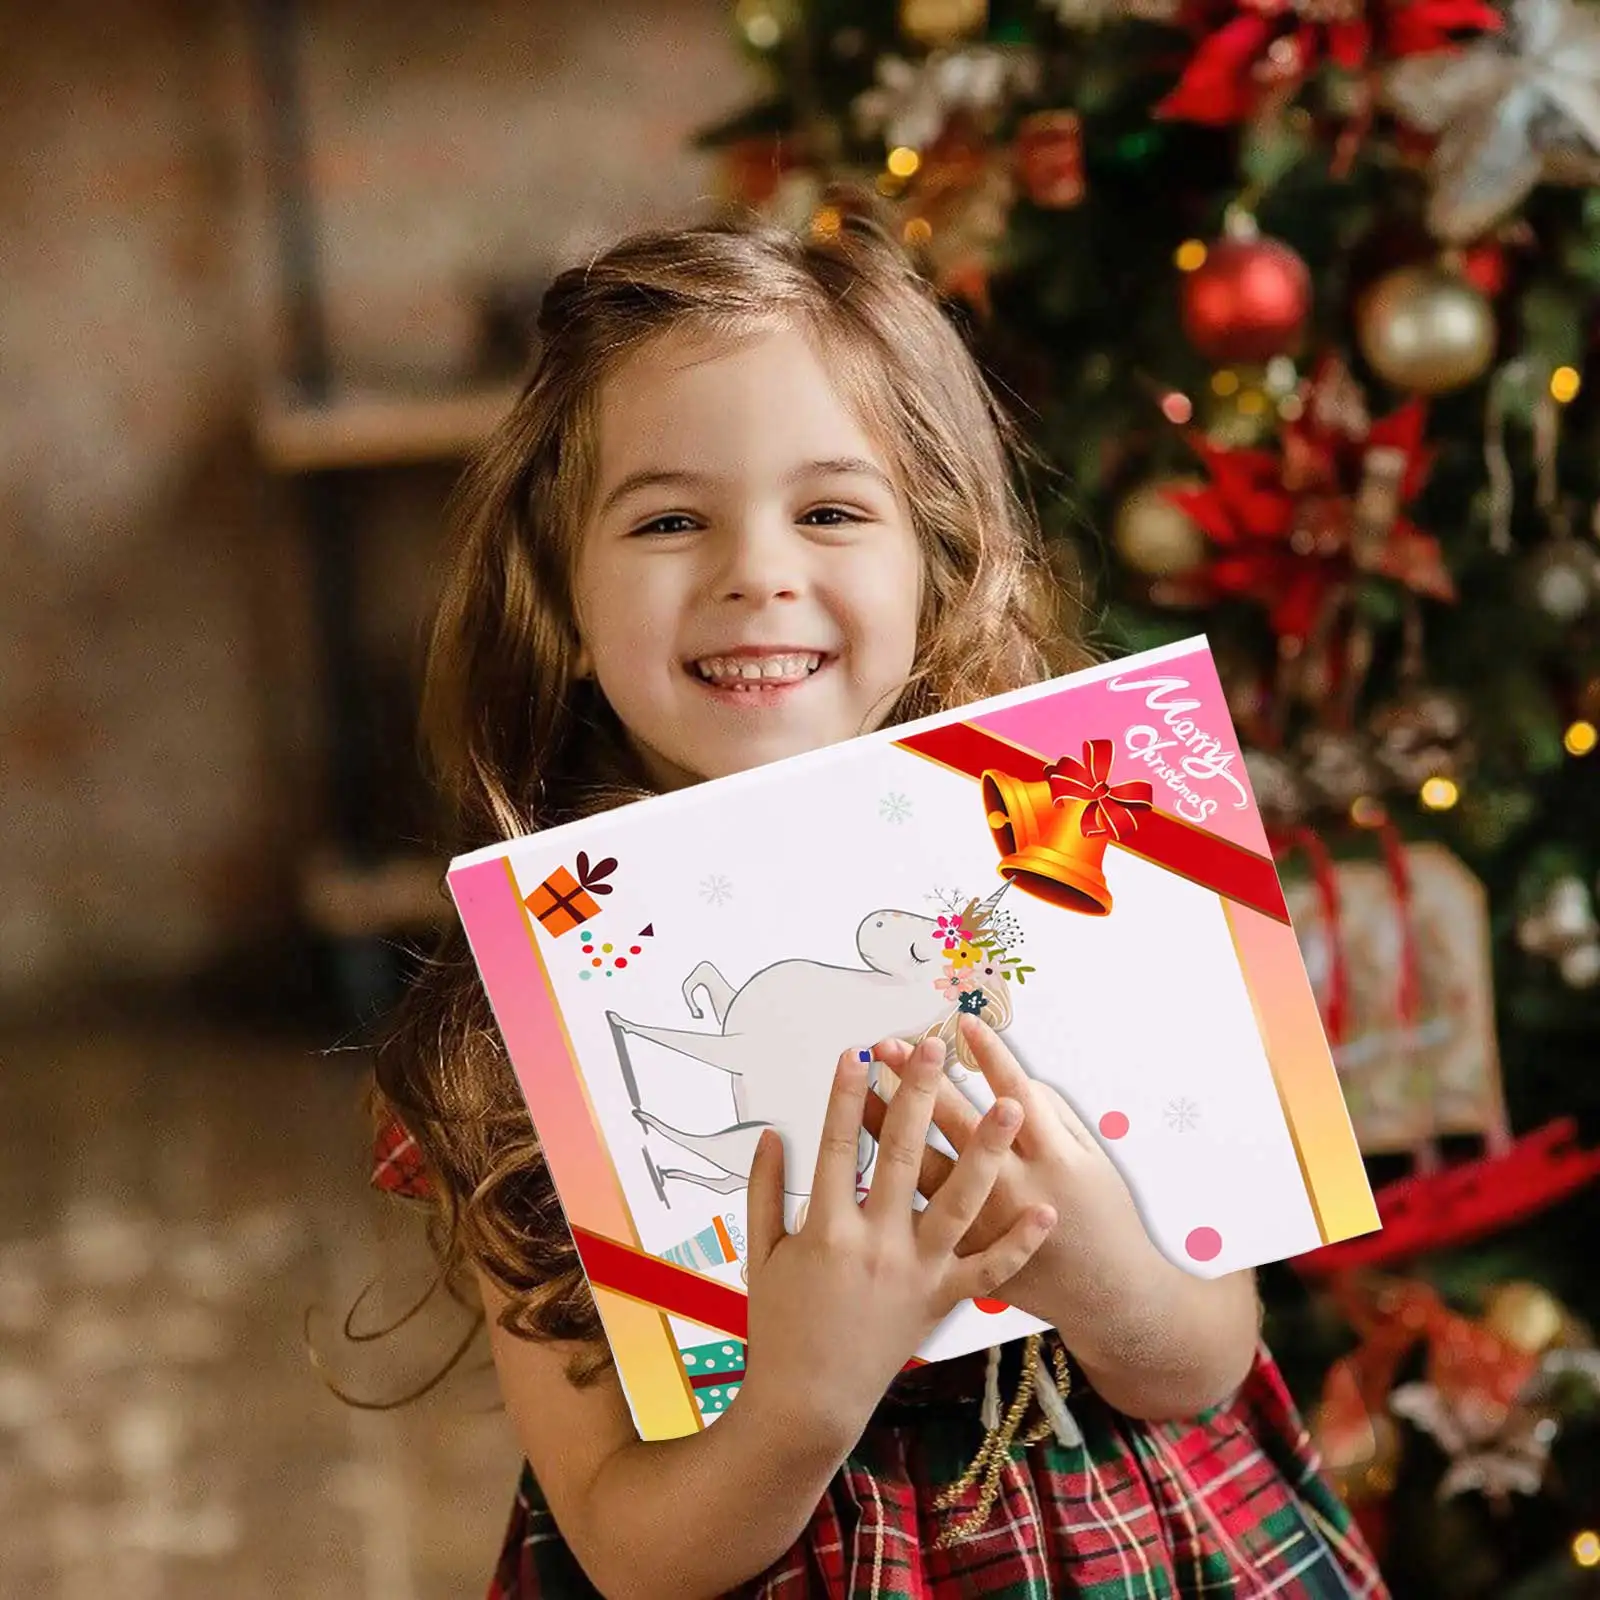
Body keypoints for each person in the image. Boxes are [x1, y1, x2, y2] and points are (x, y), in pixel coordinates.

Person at [365, 204, 1388, 1599]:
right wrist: (802, 1393)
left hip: (1137, 1542)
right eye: (670, 519)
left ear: (936, 554)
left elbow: (1205, 1356)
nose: (756, 573)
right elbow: (623, 1542)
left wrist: (1101, 1277)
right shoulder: (531, 1013)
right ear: (561, 603)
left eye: (833, 510)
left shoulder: (1092, 875)